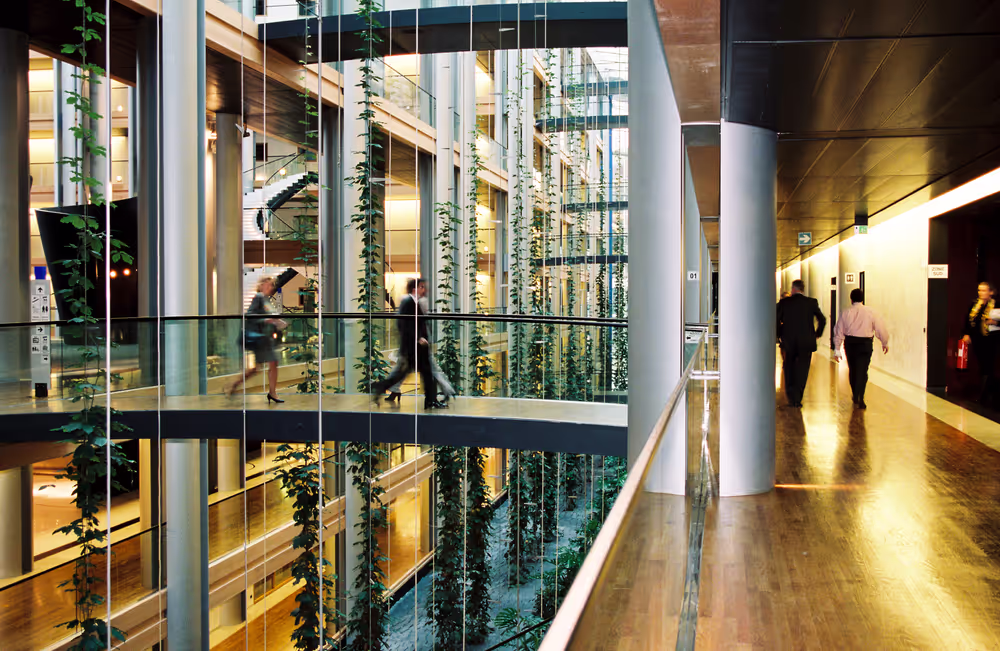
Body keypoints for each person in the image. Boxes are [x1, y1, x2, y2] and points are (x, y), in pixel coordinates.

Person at [371, 278, 444, 409]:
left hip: (418, 347)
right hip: (413, 347)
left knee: (425, 374)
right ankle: (380, 387)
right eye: (421, 287)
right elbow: (404, 324)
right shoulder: (408, 302)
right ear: (414, 289)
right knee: (410, 373)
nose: (424, 290)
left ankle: (430, 401)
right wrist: (417, 338)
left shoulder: (415, 302)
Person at [226, 276, 287, 403]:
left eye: (271, 285)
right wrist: (266, 320)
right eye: (268, 285)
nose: (270, 288)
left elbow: (268, 316)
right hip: (260, 338)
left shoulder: (265, 300)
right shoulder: (259, 297)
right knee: (273, 362)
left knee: (258, 368)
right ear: (261, 285)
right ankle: (272, 392)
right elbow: (250, 315)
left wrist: (277, 321)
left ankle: (234, 385)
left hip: (264, 338)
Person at [385, 296, 456, 404]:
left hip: (420, 347)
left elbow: (419, 330)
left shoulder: (417, 312)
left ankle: (446, 391)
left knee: (433, 370)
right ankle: (395, 390)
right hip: (412, 346)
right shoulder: (412, 310)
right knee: (402, 368)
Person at [833, 288, 889, 409]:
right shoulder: (871, 312)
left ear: (851, 299)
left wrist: (837, 349)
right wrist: (885, 342)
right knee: (863, 370)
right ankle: (861, 397)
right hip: (865, 344)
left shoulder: (846, 313)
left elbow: (839, 331)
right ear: (862, 299)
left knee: (853, 369)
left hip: (851, 343)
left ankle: (855, 394)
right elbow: (880, 328)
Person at [776, 279, 827, 407]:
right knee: (803, 369)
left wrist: (778, 336)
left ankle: (790, 396)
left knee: (789, 367)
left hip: (789, 341)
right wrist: (817, 334)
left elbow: (776, 320)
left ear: (793, 289)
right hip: (806, 341)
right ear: (802, 289)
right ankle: (798, 398)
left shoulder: (784, 303)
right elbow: (822, 319)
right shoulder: (811, 302)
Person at [962, 281, 999, 404]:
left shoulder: (996, 305)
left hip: (991, 340)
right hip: (977, 340)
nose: (981, 293)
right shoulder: (974, 304)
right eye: (979, 290)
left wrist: (995, 323)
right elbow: (968, 320)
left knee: (988, 367)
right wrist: (966, 334)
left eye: (984, 290)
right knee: (982, 366)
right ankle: (989, 394)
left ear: (991, 292)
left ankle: (984, 396)